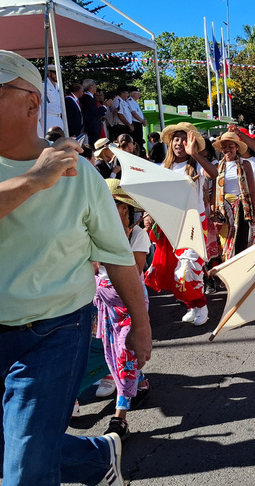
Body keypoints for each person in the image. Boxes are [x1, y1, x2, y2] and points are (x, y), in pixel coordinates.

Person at [0, 49, 151, 486]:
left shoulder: (82, 174)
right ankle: (100, 457)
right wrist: (31, 180)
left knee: (24, 472)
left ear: (31, 102)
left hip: (56, 332)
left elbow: (118, 255)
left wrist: (140, 324)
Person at [93, 179, 152, 441]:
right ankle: (140, 382)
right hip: (105, 303)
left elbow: (135, 271)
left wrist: (113, 245)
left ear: (125, 208)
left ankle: (120, 418)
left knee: (125, 353)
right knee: (110, 350)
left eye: (111, 204)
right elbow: (91, 268)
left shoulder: (139, 235)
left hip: (130, 302)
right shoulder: (93, 230)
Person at [145, 122, 217, 326]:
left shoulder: (196, 165)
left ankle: (201, 306)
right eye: (176, 139)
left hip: (193, 224)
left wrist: (194, 154)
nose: (179, 143)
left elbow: (214, 174)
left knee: (188, 269)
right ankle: (192, 306)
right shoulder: (163, 168)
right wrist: (149, 215)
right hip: (171, 224)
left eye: (184, 140)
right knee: (173, 271)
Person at [213, 131, 255, 261]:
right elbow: (214, 190)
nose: (227, 150)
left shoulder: (245, 165)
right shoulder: (217, 167)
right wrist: (213, 213)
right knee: (224, 242)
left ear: (236, 147)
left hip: (241, 208)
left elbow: (252, 190)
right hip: (223, 210)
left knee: (241, 242)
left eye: (230, 146)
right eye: (225, 147)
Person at [126, 87, 147, 158]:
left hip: (138, 123)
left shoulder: (135, 102)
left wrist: (144, 120)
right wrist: (142, 121)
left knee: (140, 142)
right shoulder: (130, 101)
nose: (139, 95)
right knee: (136, 142)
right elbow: (134, 113)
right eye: (138, 94)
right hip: (135, 123)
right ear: (133, 94)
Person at [42, 64, 63, 132]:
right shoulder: (43, 86)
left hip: (59, 118)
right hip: (48, 118)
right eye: (55, 73)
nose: (57, 75)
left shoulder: (58, 87)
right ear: (49, 73)